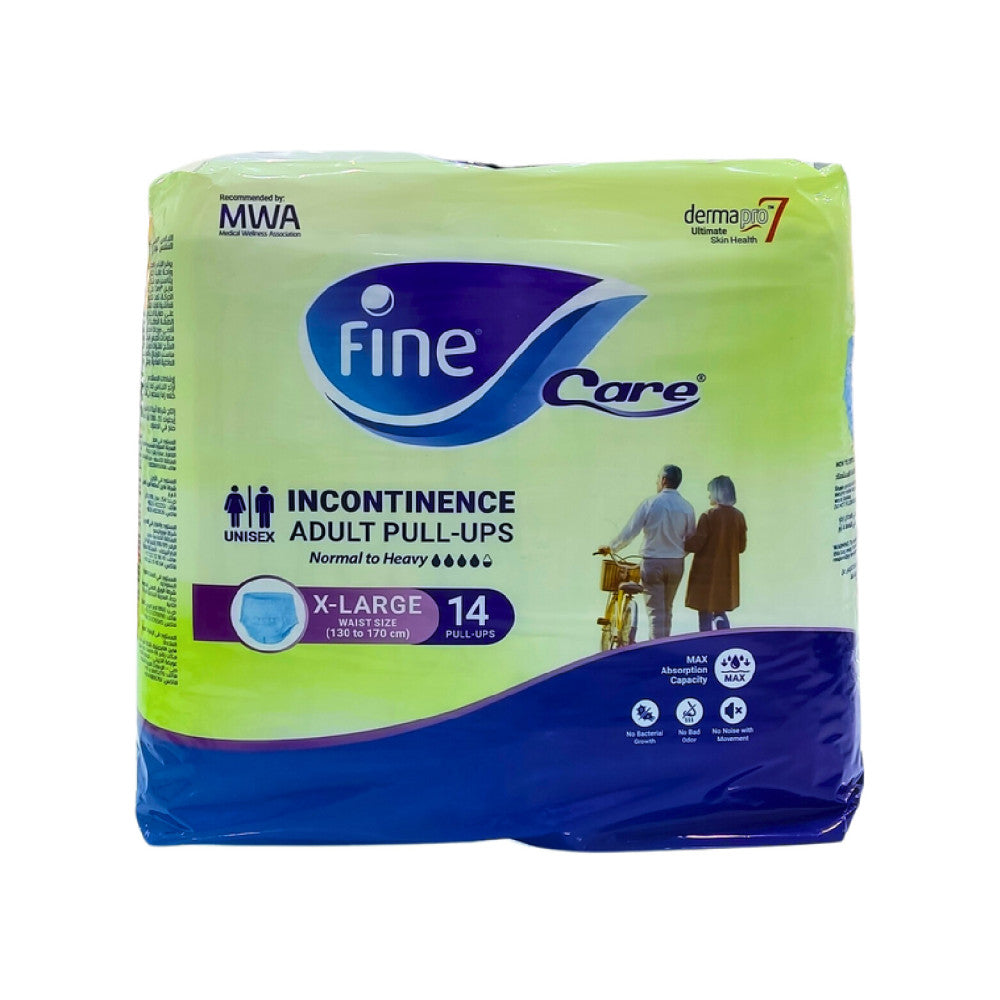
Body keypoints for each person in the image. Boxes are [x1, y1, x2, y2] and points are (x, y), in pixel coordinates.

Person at [600, 464, 695, 639]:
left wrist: (611, 547)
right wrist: (677, 554)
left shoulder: (650, 503)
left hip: (652, 562)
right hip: (676, 564)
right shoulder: (687, 507)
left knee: (655, 613)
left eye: (657, 478)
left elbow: (630, 531)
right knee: (667, 610)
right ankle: (665, 645)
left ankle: (656, 650)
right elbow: (691, 540)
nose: (656, 482)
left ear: (664, 480)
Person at [684, 475, 747, 630]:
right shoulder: (739, 516)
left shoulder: (708, 515)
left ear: (718, 493)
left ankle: (706, 639)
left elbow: (697, 544)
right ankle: (723, 633)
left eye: (710, 492)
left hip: (706, 573)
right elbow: (741, 547)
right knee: (720, 608)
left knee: (704, 611)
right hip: (727, 574)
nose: (709, 496)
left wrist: (682, 542)